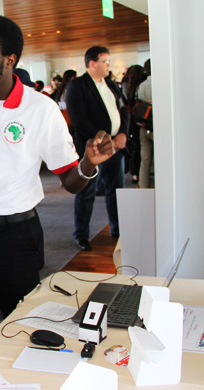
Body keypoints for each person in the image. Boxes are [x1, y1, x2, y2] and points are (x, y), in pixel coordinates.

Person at [0, 15, 114, 357]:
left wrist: (88, 163)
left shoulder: (40, 110)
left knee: (25, 329)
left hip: (15, 238)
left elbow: (71, 182)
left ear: (10, 60)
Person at [67, 46, 129, 248]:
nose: (109, 66)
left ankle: (117, 228)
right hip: (92, 149)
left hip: (115, 147)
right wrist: (104, 141)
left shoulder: (110, 84)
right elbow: (80, 120)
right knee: (87, 192)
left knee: (115, 190)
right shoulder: (78, 86)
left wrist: (122, 134)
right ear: (92, 63)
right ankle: (81, 234)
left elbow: (123, 111)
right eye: (105, 62)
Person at [138, 59, 154, 188]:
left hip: (143, 124)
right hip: (155, 125)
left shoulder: (142, 85)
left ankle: (143, 185)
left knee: (145, 159)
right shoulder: (158, 83)